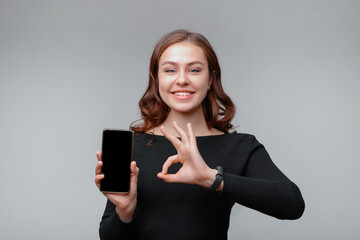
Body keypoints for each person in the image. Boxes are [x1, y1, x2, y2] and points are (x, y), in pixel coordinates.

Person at [94, 29, 305, 240]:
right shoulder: (132, 146)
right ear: (157, 78)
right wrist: (125, 212)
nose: (182, 80)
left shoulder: (240, 147)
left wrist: (210, 178)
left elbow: (293, 204)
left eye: (194, 70)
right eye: (170, 71)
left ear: (211, 78)